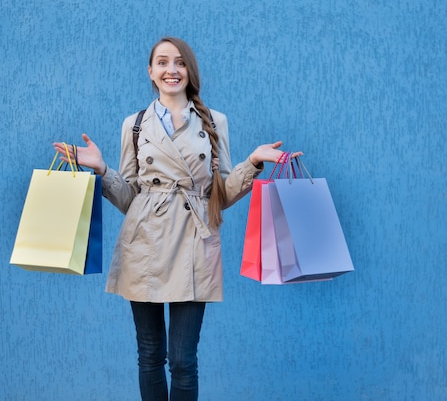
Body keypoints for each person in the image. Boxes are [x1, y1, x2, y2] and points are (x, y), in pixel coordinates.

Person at [54, 36, 301, 401]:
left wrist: (253, 163)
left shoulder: (214, 121)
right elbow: (130, 199)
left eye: (180, 62)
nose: (172, 70)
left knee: (184, 360)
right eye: (163, 62)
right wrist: (102, 169)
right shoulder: (134, 124)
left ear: (190, 70)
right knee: (150, 354)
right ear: (151, 72)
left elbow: (222, 194)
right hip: (144, 245)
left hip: (194, 244)